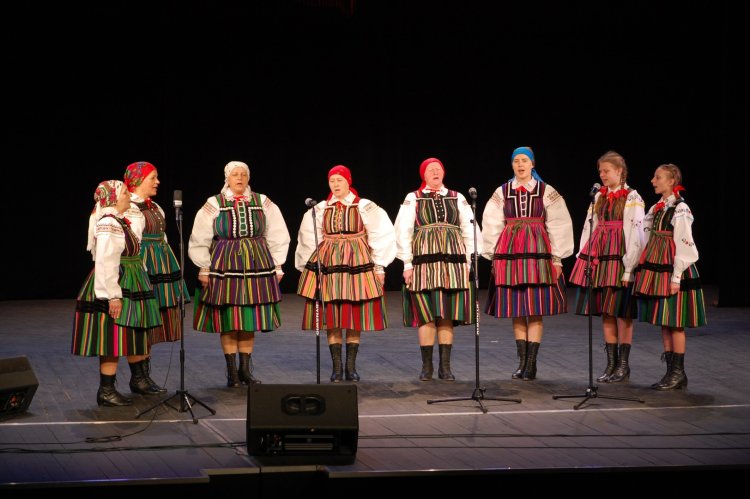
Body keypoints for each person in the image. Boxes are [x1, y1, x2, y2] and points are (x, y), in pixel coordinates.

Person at [188, 160, 290, 387]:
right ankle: (231, 372)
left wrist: (278, 265)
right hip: (225, 262)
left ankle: (245, 370)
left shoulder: (262, 201)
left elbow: (278, 233)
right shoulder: (215, 203)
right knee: (229, 317)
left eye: (243, 174)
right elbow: (200, 236)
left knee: (248, 317)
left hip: (257, 261)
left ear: (248, 178)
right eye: (235, 174)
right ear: (227, 178)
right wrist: (204, 267)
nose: (240, 178)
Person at [480, 146, 574, 381]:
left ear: (533, 164)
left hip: (537, 252)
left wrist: (557, 258)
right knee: (516, 308)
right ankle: (522, 362)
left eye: (524, 160)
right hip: (511, 253)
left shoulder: (546, 191)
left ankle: (531, 364)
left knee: (535, 307)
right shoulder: (502, 192)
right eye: (516, 161)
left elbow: (559, 224)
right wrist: (493, 256)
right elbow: (491, 223)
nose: (520, 165)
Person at [295, 165, 396, 383]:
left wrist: (380, 266)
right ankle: (337, 368)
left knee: (352, 315)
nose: (335, 184)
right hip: (329, 264)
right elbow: (308, 238)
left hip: (356, 263)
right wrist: (306, 268)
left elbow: (381, 234)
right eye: (332, 181)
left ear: (348, 181)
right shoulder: (320, 208)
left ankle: (351, 366)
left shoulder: (364, 206)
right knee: (332, 315)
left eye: (339, 180)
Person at [72, 180, 162, 407]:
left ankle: (133, 381)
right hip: (117, 283)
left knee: (130, 334)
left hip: (132, 278)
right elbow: (106, 261)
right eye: (124, 193)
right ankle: (106, 390)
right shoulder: (109, 223)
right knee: (111, 337)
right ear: (112, 198)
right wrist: (112, 295)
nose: (128, 195)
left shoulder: (120, 220)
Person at [394, 157, 480, 381]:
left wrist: (469, 261)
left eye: (438, 169)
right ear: (424, 175)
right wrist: (407, 263)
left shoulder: (457, 197)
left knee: (447, 315)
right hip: (424, 262)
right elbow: (403, 231)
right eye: (430, 169)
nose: (435, 172)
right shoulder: (413, 197)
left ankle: (445, 367)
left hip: (453, 263)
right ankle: (427, 366)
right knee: (426, 315)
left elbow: (469, 229)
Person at [569, 150, 646, 383]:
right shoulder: (599, 197)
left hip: (618, 256)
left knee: (622, 311)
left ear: (619, 171)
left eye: (606, 171)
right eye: (600, 171)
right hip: (600, 256)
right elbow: (589, 226)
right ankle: (611, 363)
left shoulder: (632, 197)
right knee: (606, 310)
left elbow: (636, 233)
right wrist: (584, 255)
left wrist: (629, 267)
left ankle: (623, 365)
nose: (602, 175)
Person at [632, 163, 706, 390]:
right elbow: (645, 236)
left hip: (674, 268)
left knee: (675, 323)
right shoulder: (657, 207)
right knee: (664, 322)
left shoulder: (680, 208)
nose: (653, 181)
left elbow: (685, 242)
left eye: (658, 177)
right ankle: (670, 372)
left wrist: (676, 277)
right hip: (657, 267)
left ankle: (678, 372)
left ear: (672, 181)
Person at [124, 161, 190, 395]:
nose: (158, 182)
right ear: (138, 180)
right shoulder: (128, 207)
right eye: (153, 178)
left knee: (152, 320)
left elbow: (163, 237)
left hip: (160, 264)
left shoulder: (156, 207)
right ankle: (138, 377)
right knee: (141, 320)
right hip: (142, 266)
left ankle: (145, 375)